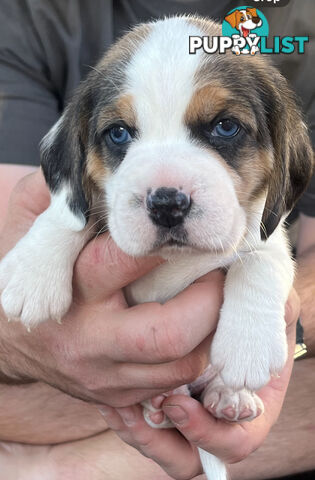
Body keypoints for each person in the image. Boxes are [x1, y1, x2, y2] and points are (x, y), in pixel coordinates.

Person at [0, 1, 314, 479]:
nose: (167, 194)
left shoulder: (300, 27)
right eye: (121, 134)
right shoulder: (30, 15)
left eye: (224, 127)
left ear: (279, 150)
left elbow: (273, 253)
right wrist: (54, 236)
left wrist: (273, 322)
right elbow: (47, 208)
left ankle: (67, 469)